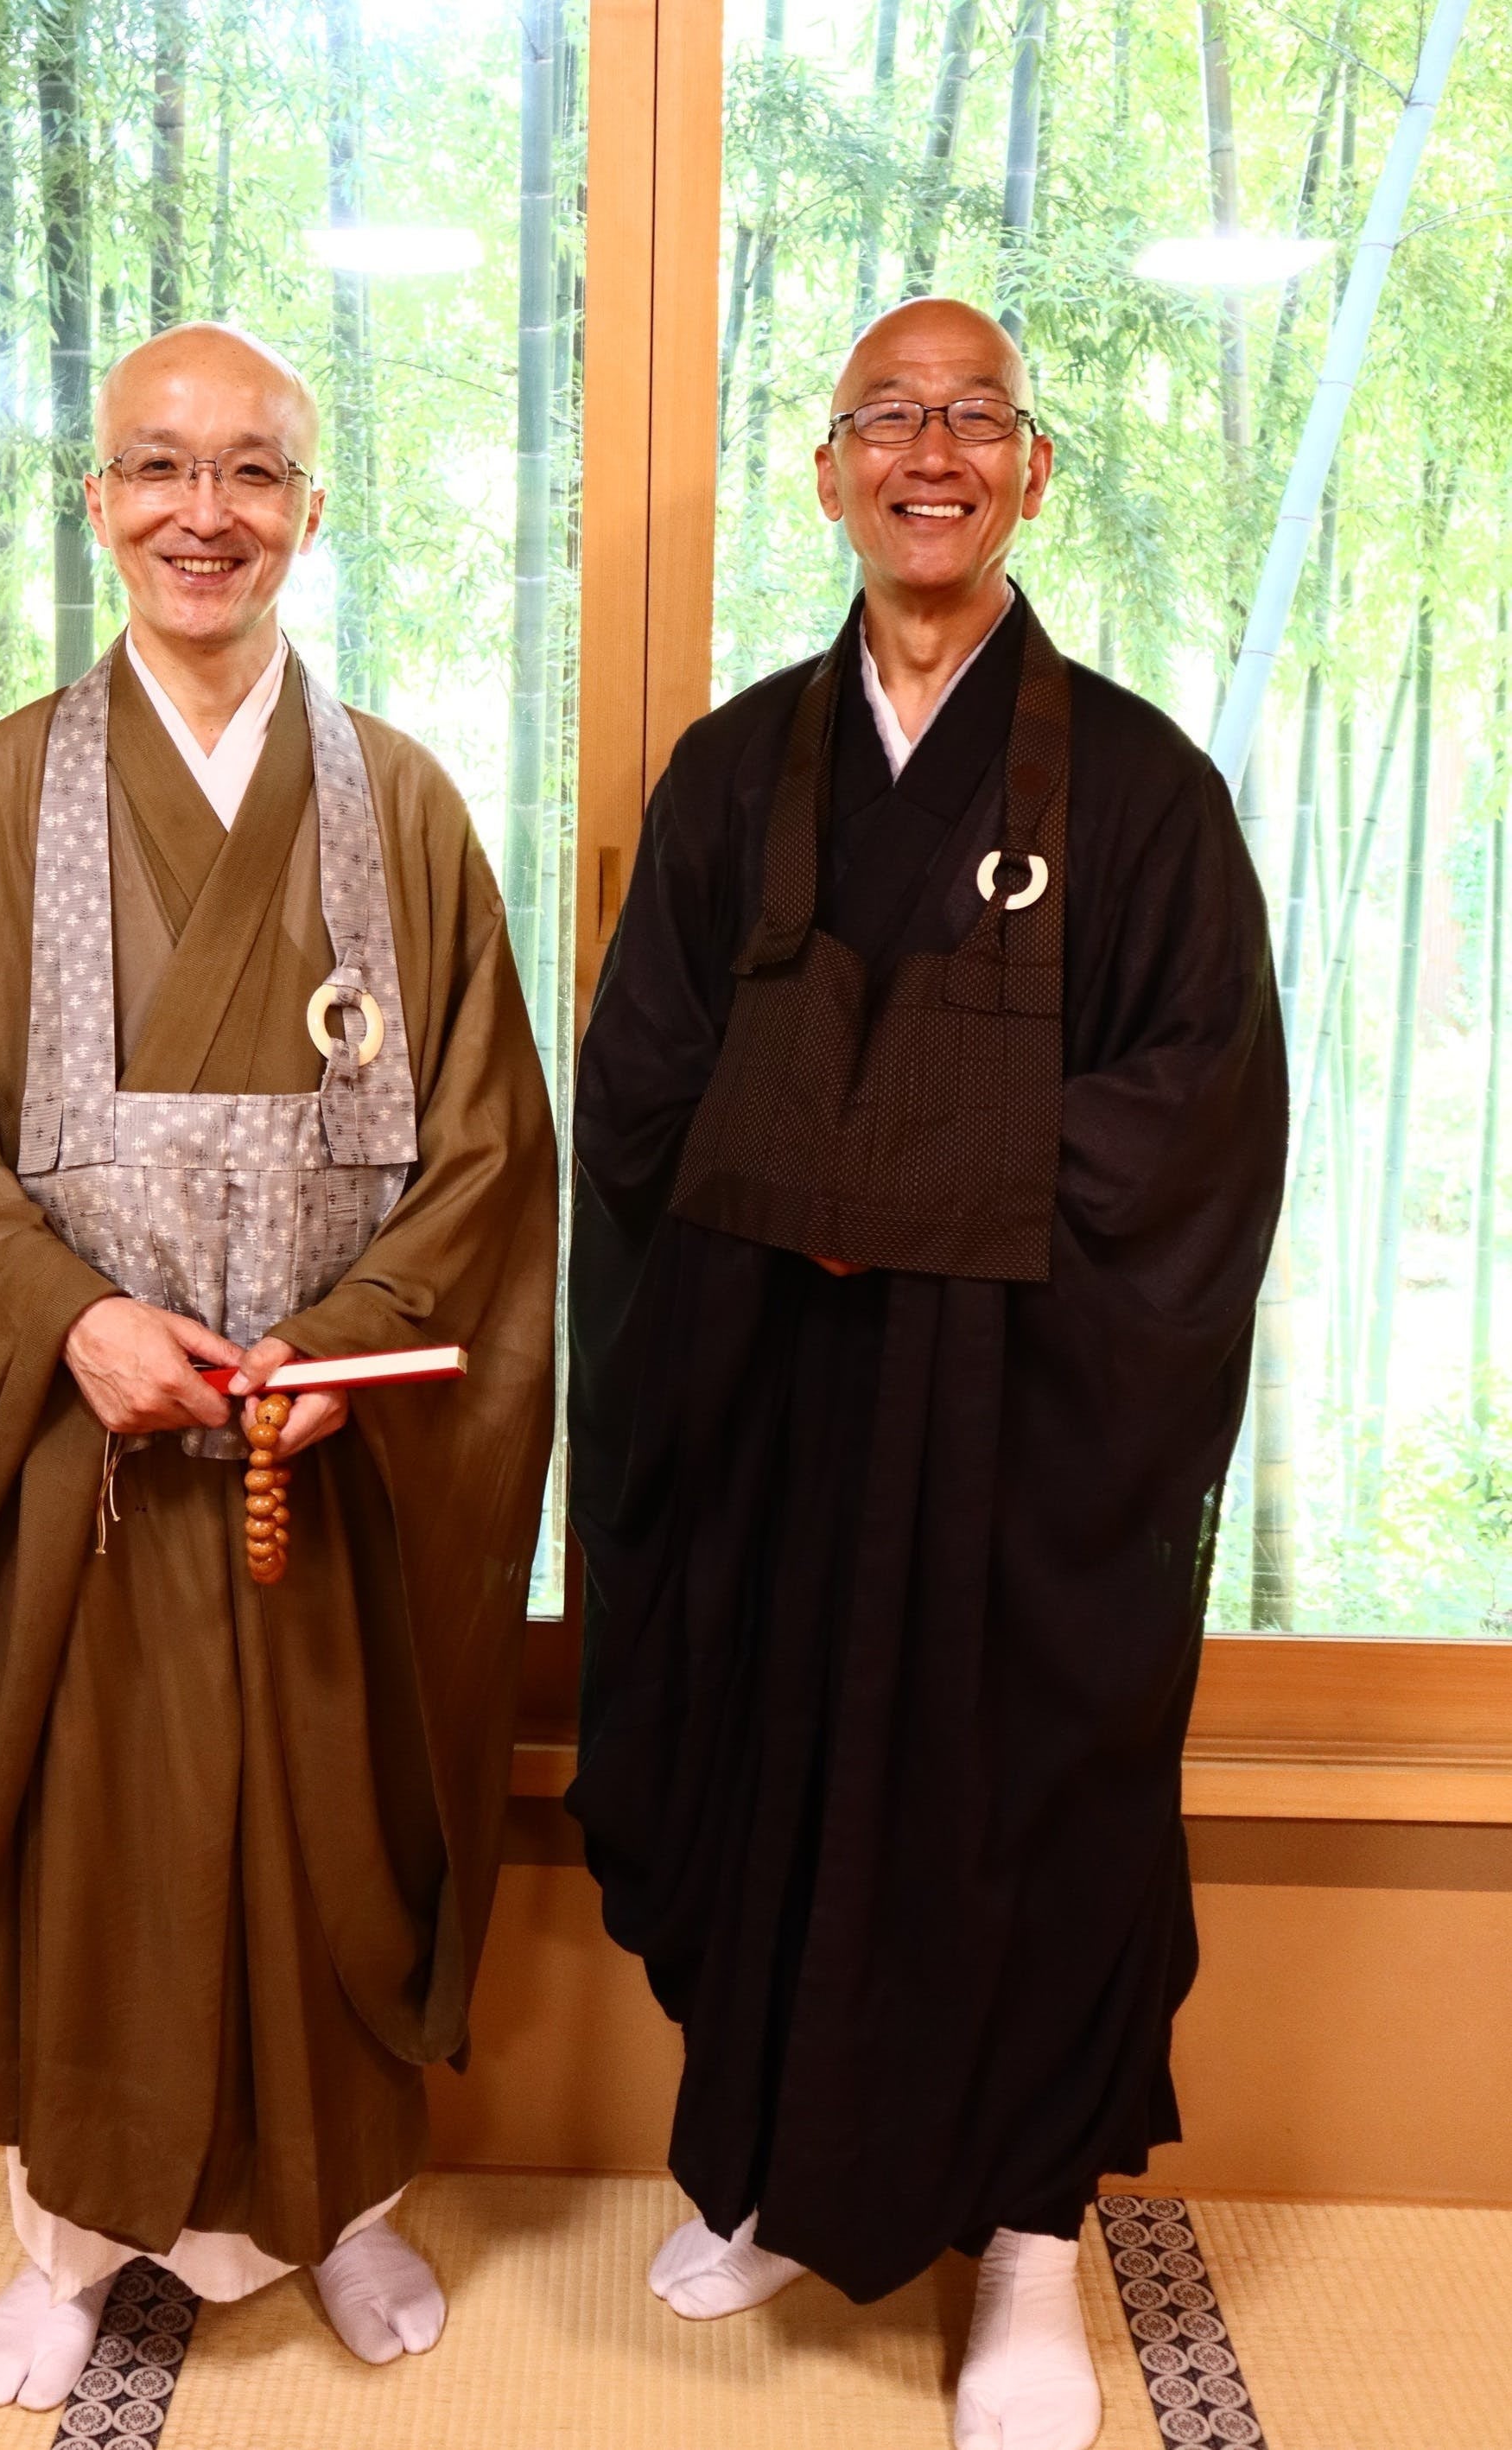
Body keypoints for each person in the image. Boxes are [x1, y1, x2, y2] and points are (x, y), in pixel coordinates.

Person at [565, 296, 1286, 2450]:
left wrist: (890, 1173)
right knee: (765, 1767)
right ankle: (770, 2169)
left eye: (976, 416)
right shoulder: (734, 773)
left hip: (1024, 1439)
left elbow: (1201, 1114)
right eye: (889, 416)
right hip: (774, 1404)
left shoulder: (1145, 791)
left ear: (1031, 470)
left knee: (1027, 1802)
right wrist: (828, 1181)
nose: (932, 451)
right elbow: (643, 1089)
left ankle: (1033, 2247)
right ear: (830, 472)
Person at [0, 322, 556, 2411]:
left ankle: (346, 2205)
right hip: (85, 1463)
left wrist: (350, 1345)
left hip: (322, 1455)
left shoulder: (401, 806)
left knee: (335, 1824)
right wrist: (67, 1318)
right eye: (159, 466)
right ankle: (74, 2235)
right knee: (104, 1856)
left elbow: (490, 1148)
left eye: (253, 471)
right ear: (99, 502)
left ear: (309, 514)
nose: (204, 510)